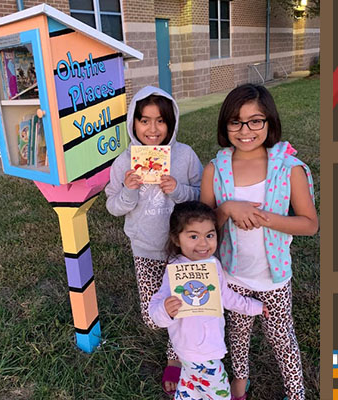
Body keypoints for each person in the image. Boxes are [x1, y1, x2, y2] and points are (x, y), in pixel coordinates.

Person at [200, 83, 318, 400]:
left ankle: (295, 390)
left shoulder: (288, 168)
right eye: (235, 121)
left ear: (270, 122)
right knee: (237, 334)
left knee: (283, 338)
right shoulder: (214, 170)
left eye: (256, 120)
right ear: (225, 125)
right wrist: (226, 209)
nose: (246, 130)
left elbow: (309, 224)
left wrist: (263, 217)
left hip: (274, 277)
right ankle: (240, 381)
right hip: (232, 274)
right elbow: (202, 228)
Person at [105, 86, 203, 395]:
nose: (152, 129)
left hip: (181, 249)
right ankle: (178, 344)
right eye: (144, 120)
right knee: (154, 315)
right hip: (146, 247)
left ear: (171, 122)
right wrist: (128, 190)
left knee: (184, 305)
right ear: (133, 123)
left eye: (161, 120)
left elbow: (202, 196)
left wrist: (178, 189)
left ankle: (178, 357)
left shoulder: (184, 155)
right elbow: (113, 207)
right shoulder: (124, 162)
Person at [149, 201, 268, 400]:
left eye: (209, 235)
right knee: (220, 393)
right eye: (193, 236)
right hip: (197, 352)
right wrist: (165, 309)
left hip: (206, 347)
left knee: (189, 388)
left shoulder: (213, 264)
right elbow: (155, 311)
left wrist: (254, 306)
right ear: (176, 239)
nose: (203, 243)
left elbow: (227, 297)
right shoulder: (175, 269)